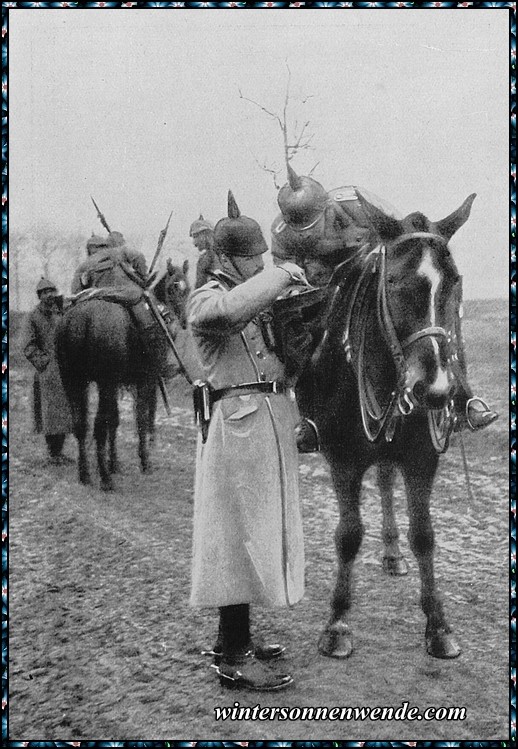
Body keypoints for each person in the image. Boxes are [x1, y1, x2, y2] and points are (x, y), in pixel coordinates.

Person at [271, 166, 498, 439]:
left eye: (312, 224)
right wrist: (299, 284)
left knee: (437, 315)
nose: (306, 234)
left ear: (327, 208)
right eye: (300, 228)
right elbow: (281, 269)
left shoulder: (353, 203)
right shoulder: (281, 231)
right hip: (319, 282)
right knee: (303, 331)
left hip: (369, 267)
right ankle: (312, 416)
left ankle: (463, 401)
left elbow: (403, 236)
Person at [188, 191, 308, 691]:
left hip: (269, 420)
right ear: (223, 259)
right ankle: (232, 654)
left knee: (261, 532)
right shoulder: (207, 297)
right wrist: (280, 273)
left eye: (262, 255)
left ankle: (235, 637)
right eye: (250, 257)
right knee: (233, 537)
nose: (259, 263)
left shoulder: (254, 289)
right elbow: (225, 315)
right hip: (238, 423)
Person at [24, 277, 73, 464]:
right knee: (49, 415)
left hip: (64, 370)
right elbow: (28, 346)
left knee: (63, 413)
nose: (49, 296)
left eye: (51, 291)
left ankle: (59, 452)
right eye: (45, 293)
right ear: (39, 296)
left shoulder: (61, 313)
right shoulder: (33, 317)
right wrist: (44, 363)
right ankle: (52, 454)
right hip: (46, 373)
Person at [189, 214, 219, 289]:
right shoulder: (203, 259)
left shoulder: (223, 257)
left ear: (206, 235)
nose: (194, 243)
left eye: (196, 237)